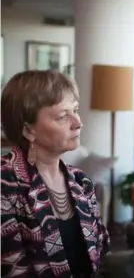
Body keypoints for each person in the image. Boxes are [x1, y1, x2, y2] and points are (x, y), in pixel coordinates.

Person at [1, 70, 110, 277]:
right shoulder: (5, 183)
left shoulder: (81, 182)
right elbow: (13, 269)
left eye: (75, 110)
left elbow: (100, 249)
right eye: (63, 116)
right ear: (28, 131)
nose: (78, 122)